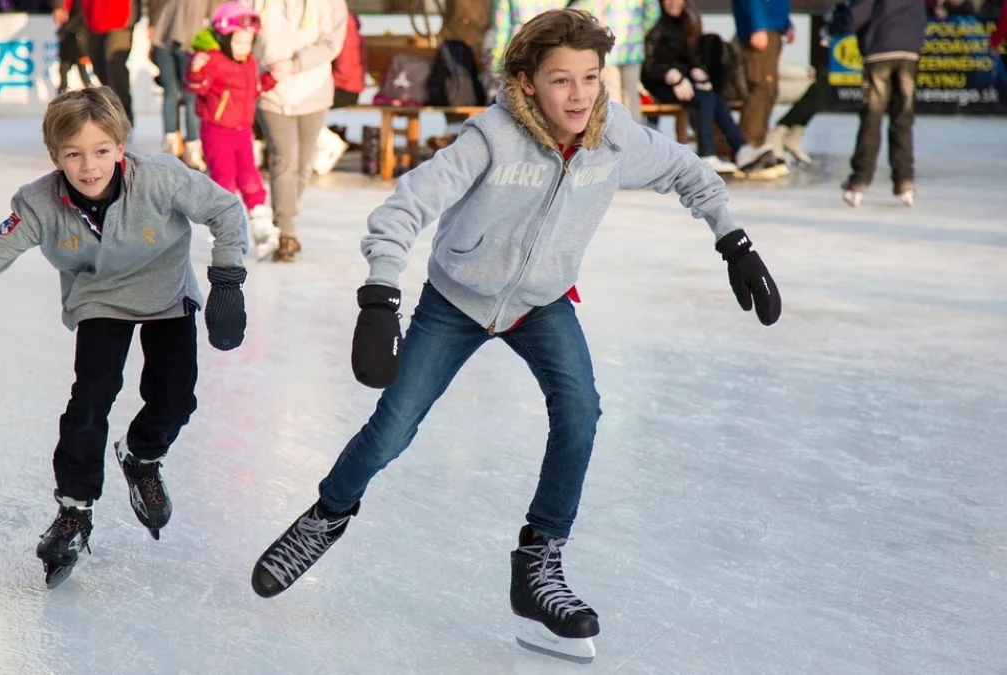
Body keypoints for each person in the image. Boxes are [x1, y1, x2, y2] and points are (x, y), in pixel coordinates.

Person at [249, 8, 781, 665]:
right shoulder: (491, 136)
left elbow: (688, 173)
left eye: (591, 77)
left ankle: (539, 562)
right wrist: (381, 296)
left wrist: (734, 240)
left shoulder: (613, 137)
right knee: (393, 427)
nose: (581, 94)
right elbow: (405, 205)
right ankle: (327, 514)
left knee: (581, 413)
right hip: (456, 299)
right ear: (527, 83)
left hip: (541, 301)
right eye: (562, 80)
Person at [0, 87, 250, 589]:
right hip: (98, 298)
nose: (89, 166)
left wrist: (227, 279)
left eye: (100, 151)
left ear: (121, 146)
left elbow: (226, 210)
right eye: (73, 154)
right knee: (90, 400)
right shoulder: (37, 204)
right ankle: (74, 510)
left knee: (176, 398)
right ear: (55, 157)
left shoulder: (161, 178)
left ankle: (141, 454)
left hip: (165, 294)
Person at [251, 0, 347, 262]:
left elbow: (332, 42)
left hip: (313, 86)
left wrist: (295, 64)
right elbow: (236, 22)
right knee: (285, 159)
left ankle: (283, 215)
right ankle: (286, 234)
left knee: (304, 167)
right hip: (271, 86)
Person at [185, 2, 281, 259]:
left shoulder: (249, 63)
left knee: (250, 176)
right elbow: (197, 87)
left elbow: (253, 90)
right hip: (217, 132)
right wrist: (196, 69)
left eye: (248, 43)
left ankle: (261, 223)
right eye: (238, 43)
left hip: (242, 132)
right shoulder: (213, 61)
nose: (243, 49)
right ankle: (227, 230)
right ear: (224, 39)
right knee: (224, 179)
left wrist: (271, 78)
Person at [641, 0, 763, 174]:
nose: (674, 3)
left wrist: (698, 70)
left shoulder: (686, 21)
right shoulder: (655, 24)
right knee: (705, 99)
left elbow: (688, 56)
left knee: (714, 97)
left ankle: (741, 148)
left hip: (683, 81)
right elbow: (649, 64)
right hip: (660, 85)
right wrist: (670, 76)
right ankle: (707, 154)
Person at [829, 0, 927, 207]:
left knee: (872, 117)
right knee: (903, 117)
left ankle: (860, 180)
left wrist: (834, 26)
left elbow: (857, 13)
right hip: (908, 51)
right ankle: (904, 180)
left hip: (880, 48)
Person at [151, 0, 217, 171]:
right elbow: (214, 18)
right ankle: (191, 149)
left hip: (163, 39)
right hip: (189, 44)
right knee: (190, 98)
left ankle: (172, 146)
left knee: (172, 94)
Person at [55, 0, 140, 125]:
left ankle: (124, 115)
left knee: (115, 66)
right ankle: (113, 109)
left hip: (121, 20)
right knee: (99, 67)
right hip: (93, 21)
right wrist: (61, 5)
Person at [731, 0, 792, 174]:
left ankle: (759, 144)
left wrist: (786, 22)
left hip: (773, 25)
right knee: (761, 87)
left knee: (770, 90)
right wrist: (757, 26)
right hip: (761, 26)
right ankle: (748, 148)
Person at [585, 0, 660, 122]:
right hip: (633, 47)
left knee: (611, 96)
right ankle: (634, 137)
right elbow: (653, 12)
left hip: (608, 47)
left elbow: (591, 9)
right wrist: (640, 31)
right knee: (631, 96)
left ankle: (614, 137)